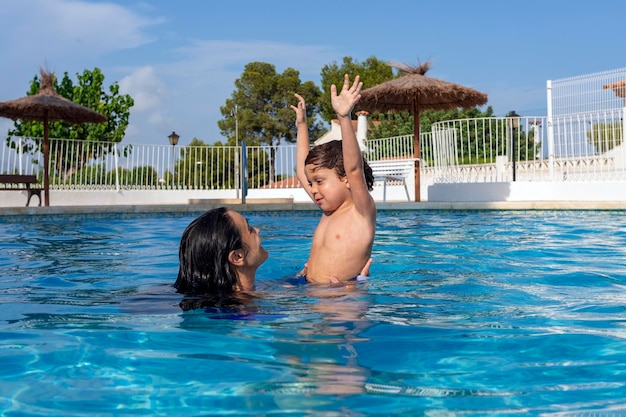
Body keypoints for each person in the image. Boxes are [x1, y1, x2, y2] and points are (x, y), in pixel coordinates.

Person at [291, 74, 376, 284]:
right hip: (309, 290)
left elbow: (354, 168)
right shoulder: (329, 210)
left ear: (346, 179)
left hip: (342, 299)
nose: (312, 189)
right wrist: (302, 126)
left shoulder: (360, 212)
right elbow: (303, 172)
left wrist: (344, 117)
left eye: (319, 181)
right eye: (312, 184)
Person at [174, 207, 268, 310]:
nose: (257, 230)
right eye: (250, 230)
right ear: (237, 257)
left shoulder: (249, 295)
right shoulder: (241, 312)